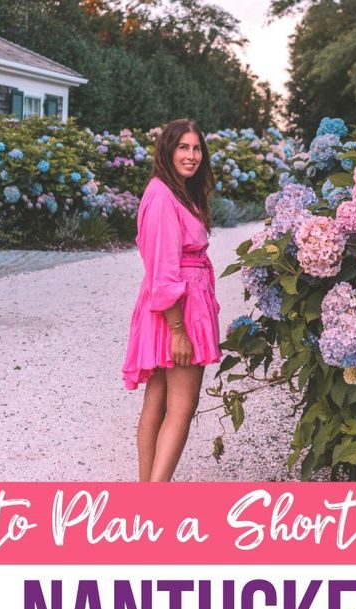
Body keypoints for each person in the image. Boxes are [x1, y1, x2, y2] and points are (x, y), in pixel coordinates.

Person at [123, 119, 220, 481]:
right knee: (181, 406)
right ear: (167, 150)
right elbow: (163, 270)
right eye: (183, 147)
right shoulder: (163, 195)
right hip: (178, 309)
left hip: (176, 304)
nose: (191, 156)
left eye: (196, 148)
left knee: (159, 401)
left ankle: (145, 494)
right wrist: (178, 329)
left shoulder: (176, 192)